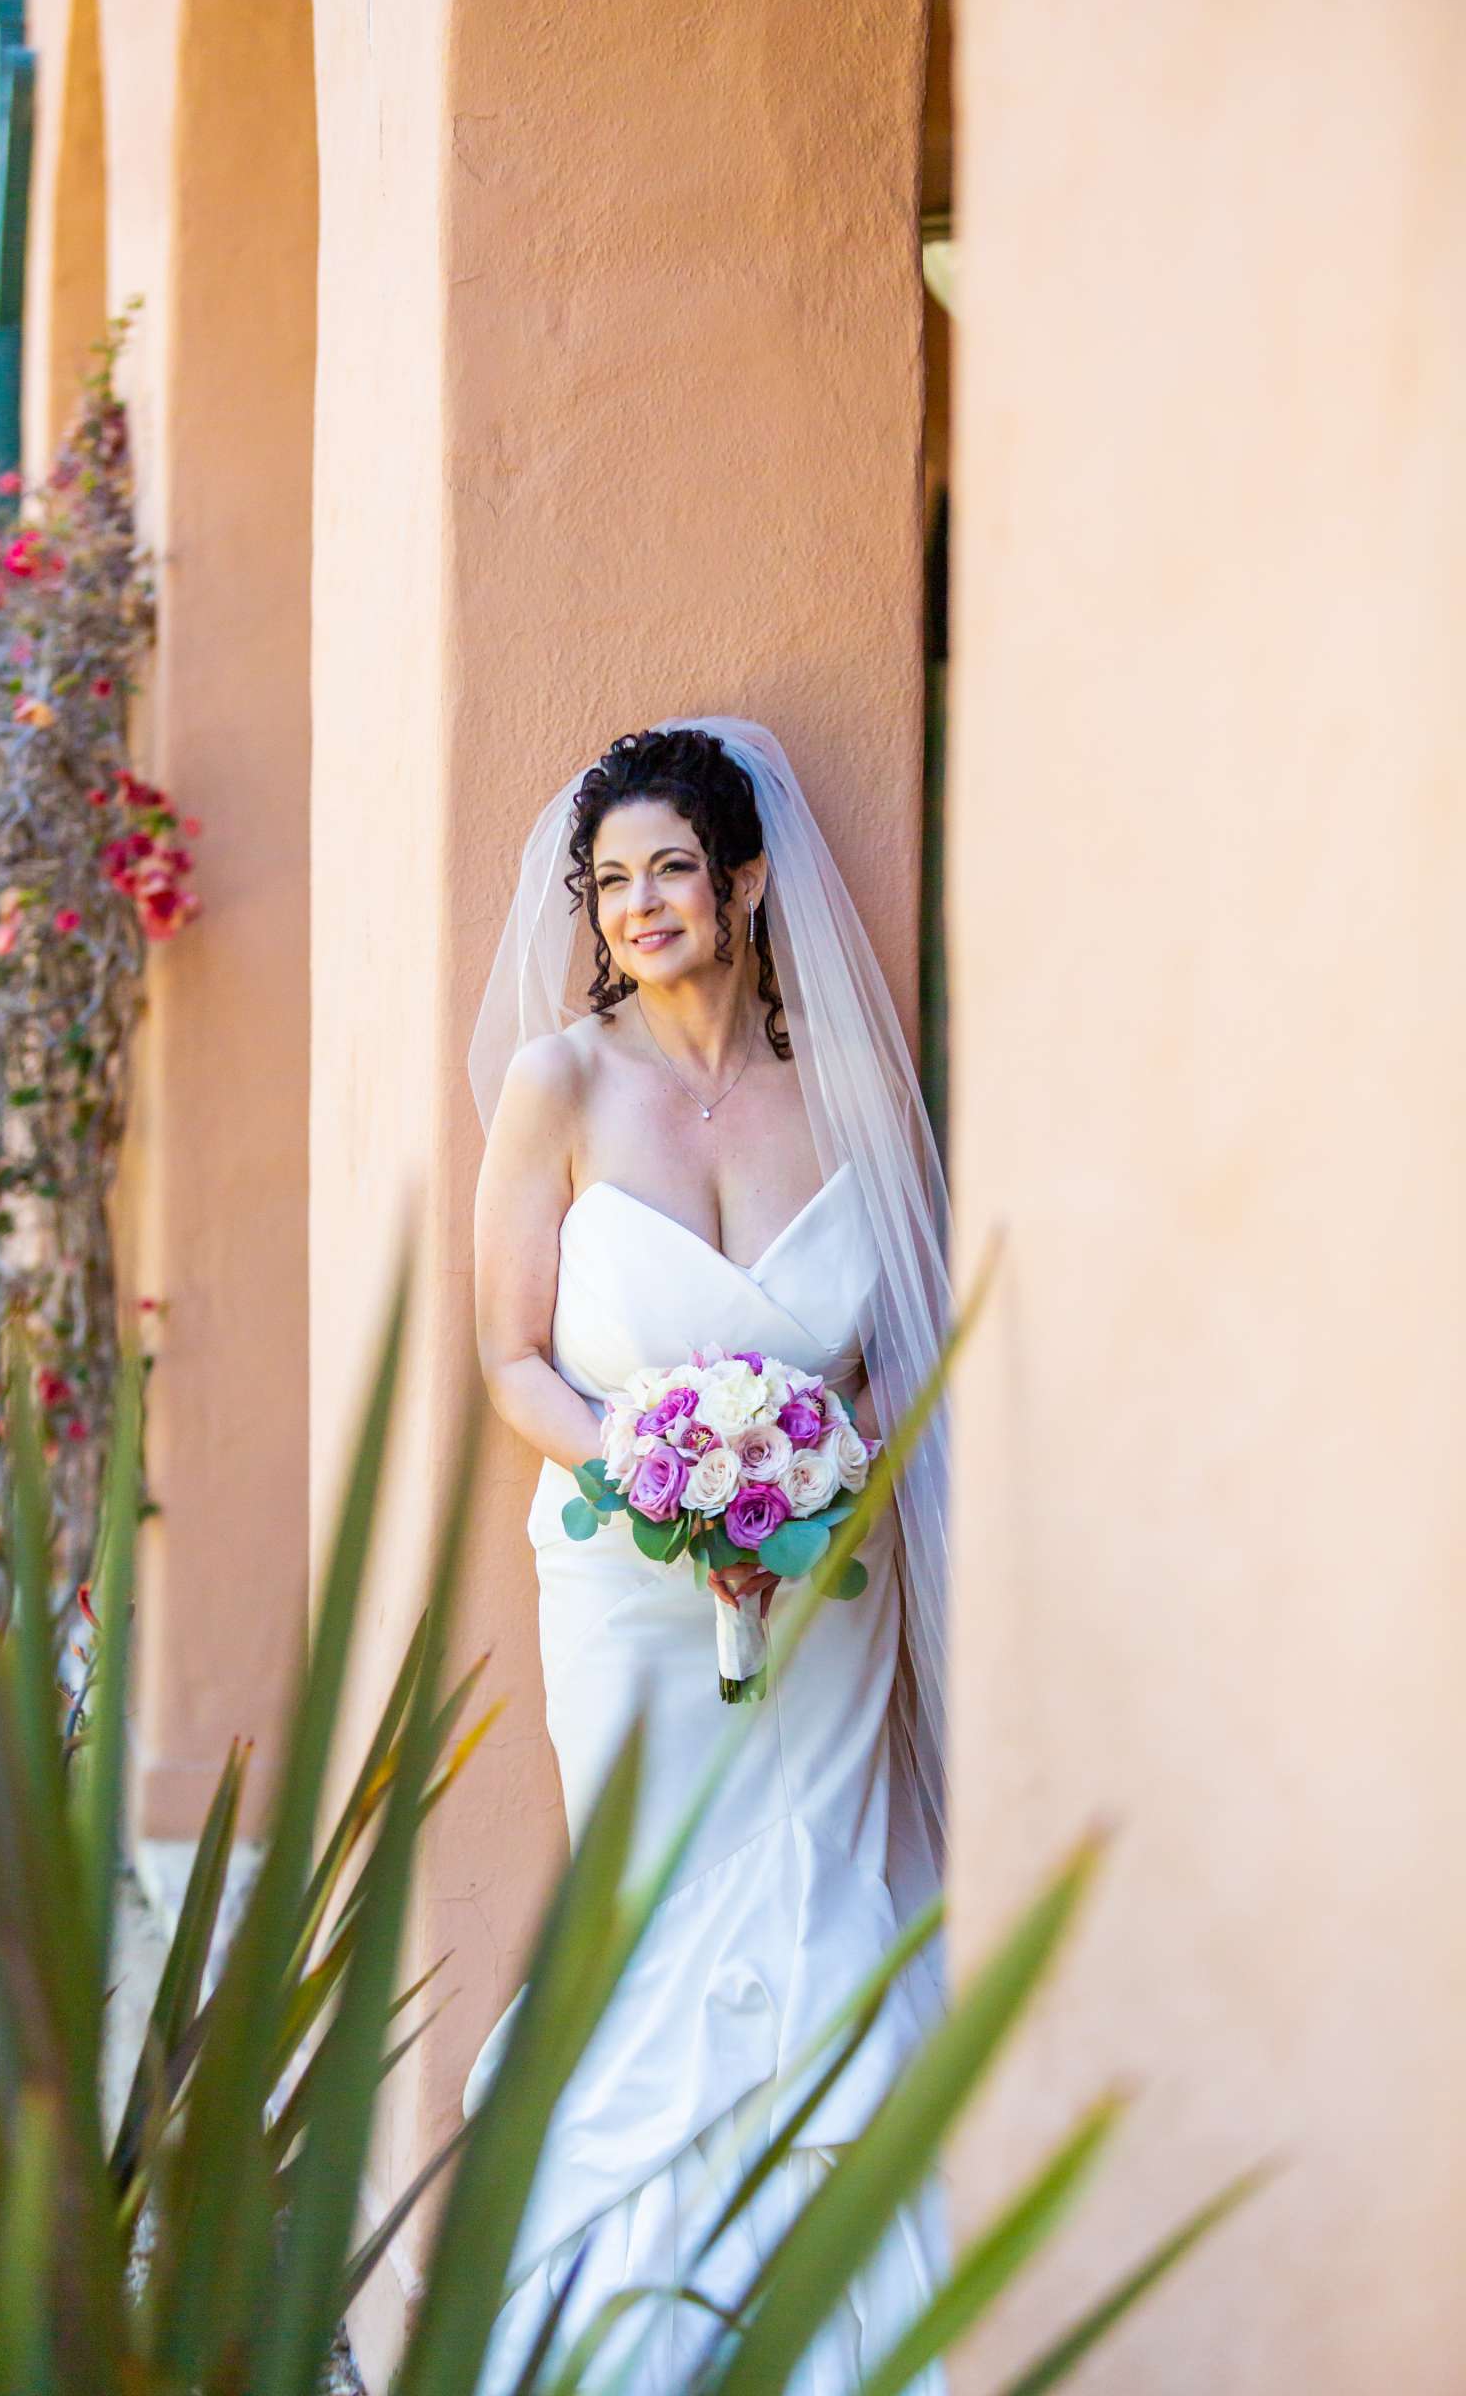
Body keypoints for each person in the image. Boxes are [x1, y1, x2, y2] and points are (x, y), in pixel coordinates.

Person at [466, 718, 956, 2392]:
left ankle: (837, 2322)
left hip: (828, 1588)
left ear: (746, 883)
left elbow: (892, 1344)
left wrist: (820, 1495)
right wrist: (665, 1485)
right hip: (630, 1589)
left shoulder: (842, 1093)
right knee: (654, 1902)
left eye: (673, 868)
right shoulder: (559, 1087)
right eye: (612, 883)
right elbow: (513, 1362)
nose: (641, 906)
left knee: (823, 1886)